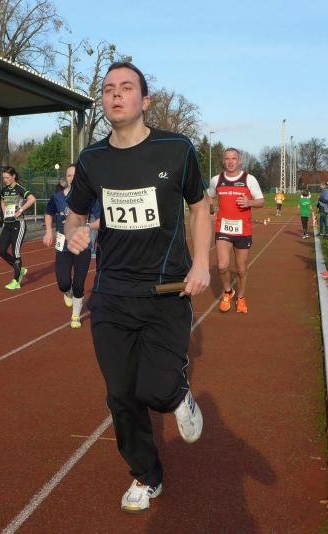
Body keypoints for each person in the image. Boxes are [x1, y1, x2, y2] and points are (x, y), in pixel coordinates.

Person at [64, 62, 211, 513]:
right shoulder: (92, 160)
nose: (116, 94)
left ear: (144, 101)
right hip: (112, 295)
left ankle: (177, 395)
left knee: (157, 389)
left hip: (167, 291)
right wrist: (74, 233)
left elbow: (200, 207)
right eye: (108, 88)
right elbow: (75, 214)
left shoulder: (176, 149)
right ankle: (146, 475)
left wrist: (202, 262)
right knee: (121, 395)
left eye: (126, 87)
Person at [207, 148, 265, 313]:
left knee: (240, 269)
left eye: (234, 158)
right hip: (223, 228)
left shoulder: (249, 179)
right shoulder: (216, 180)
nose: (230, 162)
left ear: (239, 161)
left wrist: (249, 203)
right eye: (227, 158)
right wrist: (211, 210)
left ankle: (240, 297)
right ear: (223, 161)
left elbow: (261, 201)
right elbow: (209, 195)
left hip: (243, 230)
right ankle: (227, 292)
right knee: (222, 266)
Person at [43, 164, 100, 328]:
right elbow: (48, 213)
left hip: (82, 244)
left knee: (79, 284)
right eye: (69, 175)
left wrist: (89, 226)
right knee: (63, 283)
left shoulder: (90, 198)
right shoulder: (57, 198)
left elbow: (100, 219)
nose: (72, 179)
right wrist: (48, 231)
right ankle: (67, 293)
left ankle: (75, 315)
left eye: (75, 175)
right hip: (63, 244)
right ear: (65, 178)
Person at [0, 166, 35, 289]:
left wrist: (21, 210)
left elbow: (32, 199)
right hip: (8, 224)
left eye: (8, 177)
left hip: (18, 224)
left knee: (15, 252)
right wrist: (5, 213)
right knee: (1, 251)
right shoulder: (4, 190)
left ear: (13, 176)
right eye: (4, 178)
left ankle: (16, 280)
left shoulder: (19, 188)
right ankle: (20, 269)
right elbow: (2, 201)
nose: (5, 180)